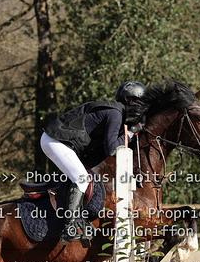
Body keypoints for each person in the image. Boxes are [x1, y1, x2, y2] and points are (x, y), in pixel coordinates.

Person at [40, 81, 147, 243]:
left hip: (60, 142)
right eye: (140, 102)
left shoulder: (117, 113)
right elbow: (112, 149)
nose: (142, 108)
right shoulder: (115, 114)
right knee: (82, 179)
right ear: (129, 100)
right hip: (54, 140)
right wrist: (131, 133)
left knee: (84, 177)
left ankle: (79, 220)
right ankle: (69, 227)